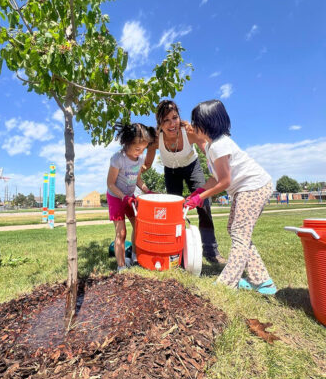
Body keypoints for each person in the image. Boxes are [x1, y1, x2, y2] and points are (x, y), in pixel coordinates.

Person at [186, 99, 276, 294]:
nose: (192, 126)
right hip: (245, 188)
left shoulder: (220, 145)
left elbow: (225, 181)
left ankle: (228, 282)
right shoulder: (211, 147)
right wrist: (198, 192)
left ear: (208, 123)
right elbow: (215, 177)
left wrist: (201, 199)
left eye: (196, 122)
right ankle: (263, 281)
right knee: (236, 230)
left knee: (239, 233)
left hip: (254, 186)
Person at [144, 100, 224, 263]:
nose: (172, 124)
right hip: (171, 171)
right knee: (175, 210)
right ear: (159, 124)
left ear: (179, 117)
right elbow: (146, 165)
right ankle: (176, 250)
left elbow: (209, 152)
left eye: (174, 118)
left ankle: (211, 251)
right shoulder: (155, 141)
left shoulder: (190, 133)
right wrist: (128, 171)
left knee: (204, 203)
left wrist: (218, 169)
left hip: (191, 166)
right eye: (166, 120)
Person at [107, 123, 156, 272]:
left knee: (139, 227)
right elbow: (110, 184)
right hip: (116, 197)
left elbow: (138, 180)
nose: (140, 152)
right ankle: (121, 266)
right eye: (137, 149)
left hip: (130, 197)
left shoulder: (140, 160)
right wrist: (123, 197)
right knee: (121, 233)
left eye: (143, 149)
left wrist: (148, 191)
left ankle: (134, 257)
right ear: (127, 143)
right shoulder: (118, 159)